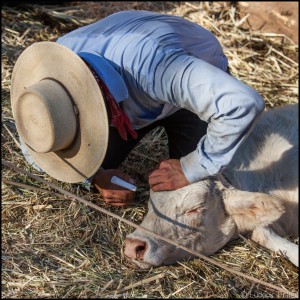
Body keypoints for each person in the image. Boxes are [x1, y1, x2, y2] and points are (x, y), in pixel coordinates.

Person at [11, 10, 265, 207]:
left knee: (197, 188)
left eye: (84, 130)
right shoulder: (52, 68)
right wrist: (95, 176)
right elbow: (34, 142)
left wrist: (191, 167)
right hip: (134, 88)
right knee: (84, 167)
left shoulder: (158, 69)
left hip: (183, 84)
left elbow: (241, 104)